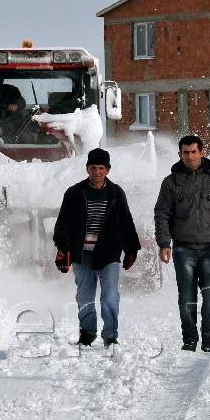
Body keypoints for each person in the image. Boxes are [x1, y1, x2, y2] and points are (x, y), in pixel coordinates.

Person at [154, 134, 210, 353]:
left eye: (193, 152)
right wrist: (164, 243)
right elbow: (162, 214)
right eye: (185, 152)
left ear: (202, 152)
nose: (189, 156)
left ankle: (208, 335)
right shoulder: (171, 182)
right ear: (179, 154)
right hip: (183, 249)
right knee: (187, 298)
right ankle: (190, 338)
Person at [53, 147, 141, 348]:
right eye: (93, 167)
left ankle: (110, 335)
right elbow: (63, 224)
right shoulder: (75, 193)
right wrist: (63, 250)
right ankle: (88, 332)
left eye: (101, 168)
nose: (97, 172)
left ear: (108, 170)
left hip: (108, 253)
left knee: (110, 296)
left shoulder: (116, 193)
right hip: (81, 254)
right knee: (85, 296)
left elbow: (126, 222)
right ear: (87, 169)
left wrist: (131, 249)